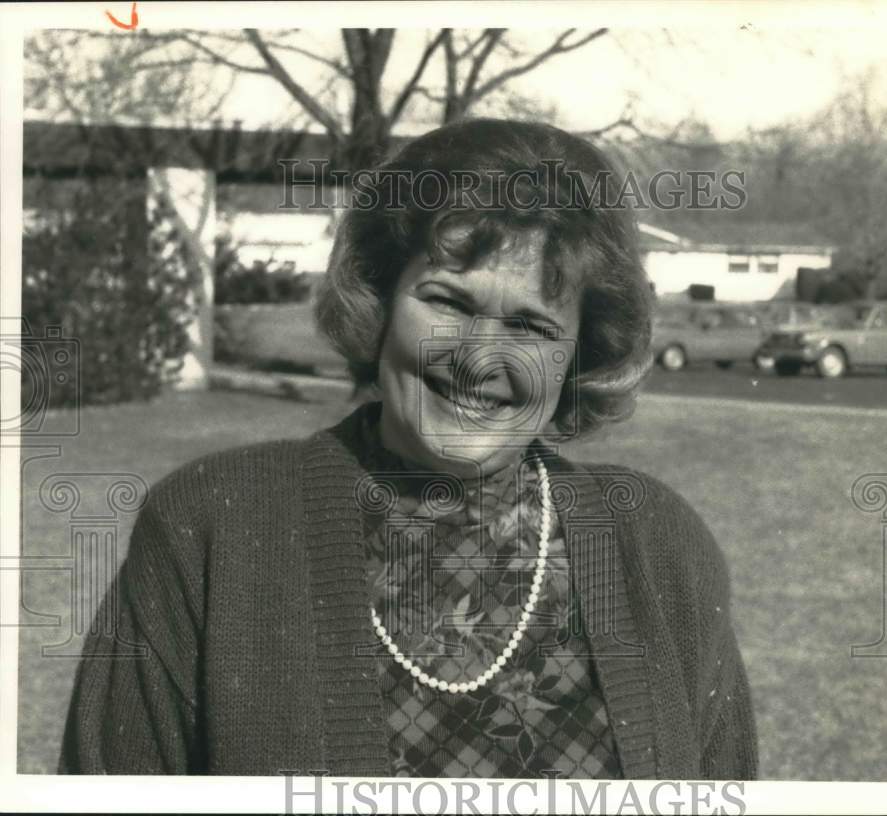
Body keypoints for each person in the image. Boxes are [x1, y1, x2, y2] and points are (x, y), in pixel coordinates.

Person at [59, 118, 757, 779]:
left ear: (579, 354)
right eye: (448, 302)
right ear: (380, 299)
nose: (479, 359)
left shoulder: (660, 547)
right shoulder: (212, 526)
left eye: (533, 326)